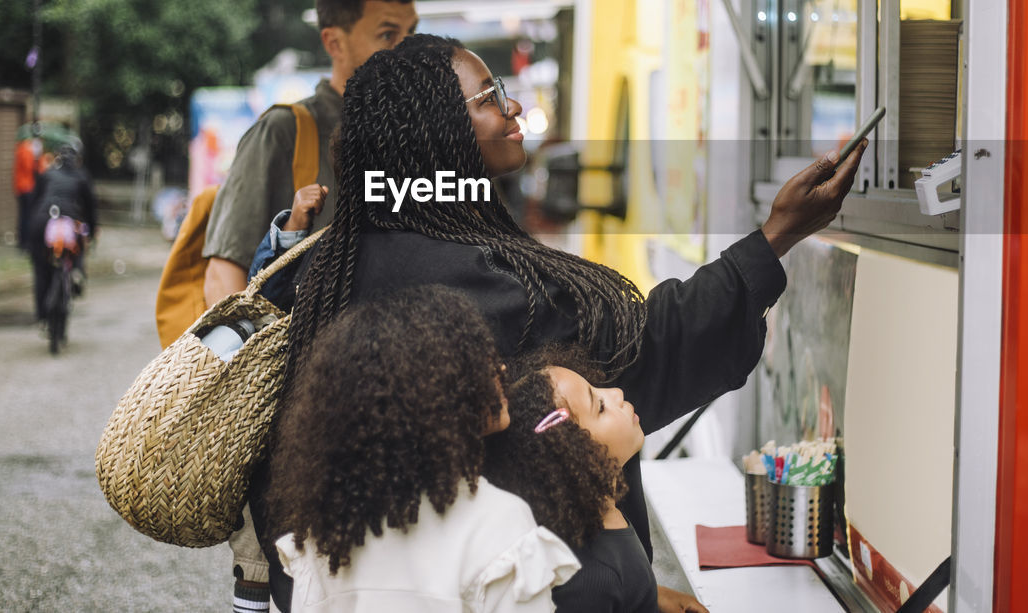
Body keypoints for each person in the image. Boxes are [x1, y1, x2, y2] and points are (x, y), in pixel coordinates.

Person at [250, 34, 865, 612]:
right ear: (436, 131)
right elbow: (641, 357)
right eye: (489, 96)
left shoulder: (344, 255)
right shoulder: (471, 280)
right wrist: (777, 235)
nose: (513, 105)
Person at [199, 0, 417, 610]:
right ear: (335, 40)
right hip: (290, 415)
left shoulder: (413, 139)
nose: (405, 51)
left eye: (413, 33)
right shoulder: (287, 130)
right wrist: (248, 399)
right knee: (271, 576)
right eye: (387, 34)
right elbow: (224, 273)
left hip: (383, 415)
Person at [265, 286, 579, 612]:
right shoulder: (498, 523)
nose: (501, 370)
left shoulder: (323, 537)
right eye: (478, 363)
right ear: (434, 395)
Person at [485, 347, 697, 613]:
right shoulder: (589, 583)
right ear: (575, 456)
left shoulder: (607, 516)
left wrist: (653, 597)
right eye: (600, 406)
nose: (617, 394)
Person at [27, 142, 97, 319]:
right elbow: (90, 208)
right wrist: (93, 232)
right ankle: (77, 272)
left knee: (40, 269)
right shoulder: (82, 176)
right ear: (78, 159)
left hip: (42, 220)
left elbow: (34, 201)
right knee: (79, 245)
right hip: (70, 220)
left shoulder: (47, 174)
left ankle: (41, 316)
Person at [13, 126, 42, 251]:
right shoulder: (26, 149)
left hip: (20, 186)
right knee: (28, 215)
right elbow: (31, 167)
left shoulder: (20, 148)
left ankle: (22, 241)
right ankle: (26, 242)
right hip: (27, 187)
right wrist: (37, 158)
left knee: (23, 215)